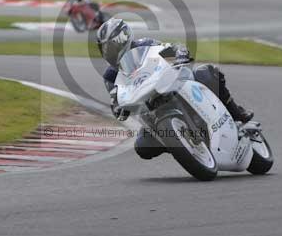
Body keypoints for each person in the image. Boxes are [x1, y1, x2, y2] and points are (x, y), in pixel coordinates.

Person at [96, 19, 254, 160]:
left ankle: (237, 113)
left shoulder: (144, 44)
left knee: (207, 73)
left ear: (123, 38)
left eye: (111, 46)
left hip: (172, 86)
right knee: (142, 147)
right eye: (104, 49)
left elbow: (169, 49)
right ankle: (181, 143)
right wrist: (118, 107)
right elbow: (116, 98)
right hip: (151, 110)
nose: (109, 52)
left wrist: (179, 53)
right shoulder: (110, 75)